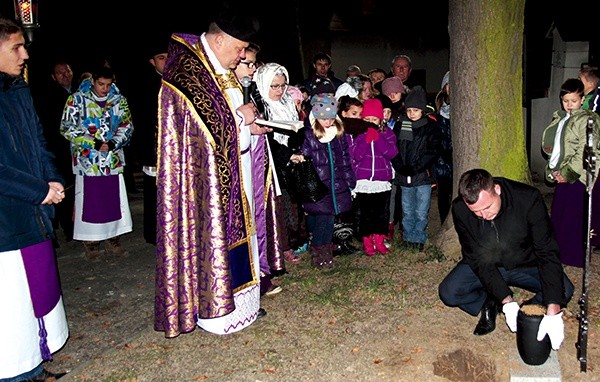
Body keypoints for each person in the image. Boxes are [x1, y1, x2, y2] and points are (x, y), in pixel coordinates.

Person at [154, 8, 276, 337]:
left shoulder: (220, 65)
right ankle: (216, 312)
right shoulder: (188, 71)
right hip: (204, 182)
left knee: (244, 234)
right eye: (238, 48)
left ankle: (244, 304)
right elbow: (204, 131)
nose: (241, 56)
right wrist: (241, 119)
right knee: (215, 238)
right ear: (219, 39)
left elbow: (230, 119)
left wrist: (251, 126)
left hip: (237, 168)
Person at [0, 17, 69, 381]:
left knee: (35, 292)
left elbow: (39, 141)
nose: (25, 54)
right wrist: (38, 190)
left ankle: (33, 363)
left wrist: (53, 179)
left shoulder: (17, 89)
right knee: (10, 302)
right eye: (15, 47)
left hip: (34, 213)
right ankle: (15, 372)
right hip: (6, 221)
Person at [439, 169, 575, 346]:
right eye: (477, 212)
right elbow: (475, 257)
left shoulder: (528, 199)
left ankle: (529, 310)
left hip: (527, 264)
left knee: (564, 290)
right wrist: (506, 300)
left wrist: (553, 309)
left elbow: (547, 251)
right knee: (449, 292)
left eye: (487, 207)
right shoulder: (460, 208)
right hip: (489, 265)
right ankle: (489, 303)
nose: (484, 216)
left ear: (497, 189)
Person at [60, 66, 134, 260]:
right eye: (101, 84)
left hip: (112, 159)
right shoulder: (76, 99)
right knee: (90, 201)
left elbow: (127, 126)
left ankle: (113, 240)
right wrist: (92, 143)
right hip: (88, 161)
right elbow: (67, 127)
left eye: (109, 85)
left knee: (113, 200)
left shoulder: (119, 100)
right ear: (92, 81)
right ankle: (90, 243)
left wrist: (113, 142)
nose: (105, 88)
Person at [541, 78, 600, 267]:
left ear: (582, 99)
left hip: (580, 175)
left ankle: (574, 256)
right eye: (566, 100)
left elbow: (588, 149)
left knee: (575, 217)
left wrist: (568, 173)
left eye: (573, 101)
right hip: (564, 172)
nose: (569, 105)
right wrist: (555, 170)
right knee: (560, 214)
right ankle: (559, 252)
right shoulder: (562, 118)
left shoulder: (587, 119)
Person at [295, 93, 356, 268]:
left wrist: (349, 179)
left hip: (336, 184)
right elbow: (304, 155)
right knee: (323, 219)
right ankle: (319, 252)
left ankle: (326, 251)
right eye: (324, 119)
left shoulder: (338, 134)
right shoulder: (309, 134)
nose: (328, 122)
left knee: (330, 218)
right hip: (318, 186)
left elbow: (345, 158)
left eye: (331, 118)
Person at [391, 86, 441, 251]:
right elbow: (394, 148)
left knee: (421, 209)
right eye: (409, 110)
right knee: (407, 208)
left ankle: (418, 237)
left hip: (422, 176)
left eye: (416, 110)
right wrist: (399, 165)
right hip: (404, 175)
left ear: (423, 110)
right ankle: (408, 236)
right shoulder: (400, 125)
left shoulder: (430, 126)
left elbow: (432, 151)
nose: (412, 113)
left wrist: (417, 167)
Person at [347, 98, 398, 255]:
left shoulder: (386, 133)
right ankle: (367, 242)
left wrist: (378, 139)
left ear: (380, 119)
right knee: (366, 213)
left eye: (373, 119)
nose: (370, 122)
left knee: (380, 213)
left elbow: (392, 153)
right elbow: (355, 155)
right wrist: (365, 140)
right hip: (364, 180)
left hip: (381, 180)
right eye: (367, 119)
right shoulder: (359, 134)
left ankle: (380, 240)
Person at [33, 59, 76, 244]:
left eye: (67, 71)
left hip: (79, 152)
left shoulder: (80, 94)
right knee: (63, 190)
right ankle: (67, 227)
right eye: (60, 73)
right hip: (60, 151)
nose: (65, 76)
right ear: (53, 77)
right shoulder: (49, 98)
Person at [137, 37, 168, 245]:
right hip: (154, 147)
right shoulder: (145, 85)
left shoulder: (177, 81)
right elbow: (143, 122)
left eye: (167, 57)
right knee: (154, 192)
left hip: (174, 147)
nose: (165, 61)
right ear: (152, 61)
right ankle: (155, 233)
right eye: (160, 58)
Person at [433, 71, 453, 222]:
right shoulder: (438, 113)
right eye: (449, 85)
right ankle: (444, 221)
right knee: (444, 193)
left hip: (455, 159)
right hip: (442, 161)